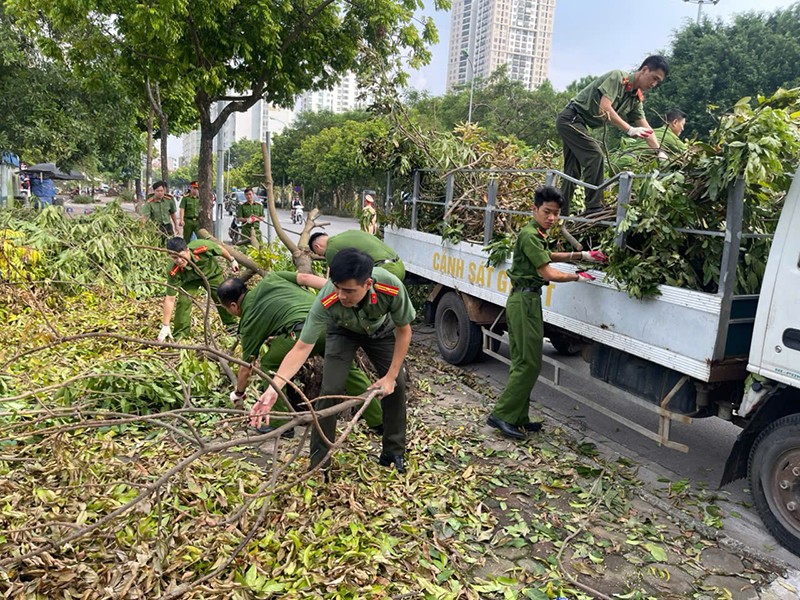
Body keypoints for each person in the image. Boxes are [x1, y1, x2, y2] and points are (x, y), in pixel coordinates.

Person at [251, 249, 415, 475]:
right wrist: (273, 388)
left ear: (368, 283)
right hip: (343, 332)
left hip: (381, 332)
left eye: (348, 290)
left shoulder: (390, 287)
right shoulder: (328, 297)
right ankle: (320, 462)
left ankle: (393, 452)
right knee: (331, 389)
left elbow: (404, 331)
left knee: (397, 385)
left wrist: (390, 376)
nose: (341, 295)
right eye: (337, 287)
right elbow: (301, 347)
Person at [487, 186, 608, 440]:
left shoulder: (536, 234)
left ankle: (518, 417)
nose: (552, 218)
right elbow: (548, 272)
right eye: (547, 212)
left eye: (555, 213)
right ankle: (502, 415)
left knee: (524, 361)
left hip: (527, 300)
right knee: (529, 363)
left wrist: (582, 255)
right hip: (524, 302)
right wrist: (577, 276)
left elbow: (547, 255)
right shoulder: (531, 234)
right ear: (534, 210)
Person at [218, 275, 384, 434]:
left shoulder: (248, 321)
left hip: (305, 331)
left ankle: (279, 422)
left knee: (269, 363)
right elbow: (305, 278)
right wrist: (341, 292)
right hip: (333, 321)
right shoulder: (273, 278)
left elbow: (247, 368)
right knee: (347, 370)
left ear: (233, 306)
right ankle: (379, 420)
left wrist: (239, 393)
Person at [556, 55, 669, 215]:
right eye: (654, 78)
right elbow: (604, 108)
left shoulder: (635, 99)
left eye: (658, 82)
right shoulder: (618, 78)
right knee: (595, 156)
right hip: (570, 118)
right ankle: (594, 208)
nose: (654, 84)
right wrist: (629, 129)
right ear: (644, 70)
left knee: (572, 170)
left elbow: (645, 128)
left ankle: (562, 214)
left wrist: (659, 152)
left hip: (579, 124)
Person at [157, 237, 239, 341]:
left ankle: (232, 327)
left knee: (222, 296)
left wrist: (232, 260)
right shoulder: (173, 270)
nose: (179, 261)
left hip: (212, 275)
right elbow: (170, 298)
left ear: (187, 250)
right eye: (174, 257)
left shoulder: (201, 247)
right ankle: (181, 335)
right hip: (190, 281)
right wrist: (165, 325)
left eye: (181, 256)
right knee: (183, 302)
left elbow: (219, 249)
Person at [309, 230, 405, 281]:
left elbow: (337, 280)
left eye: (319, 254)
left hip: (386, 271)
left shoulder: (330, 250)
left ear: (318, 247)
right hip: (400, 266)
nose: (322, 256)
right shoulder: (349, 233)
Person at [618, 109, 687, 164]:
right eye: (682, 124)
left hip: (618, 160)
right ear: (675, 122)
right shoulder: (670, 137)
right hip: (629, 163)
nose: (683, 129)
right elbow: (689, 153)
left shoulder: (653, 132)